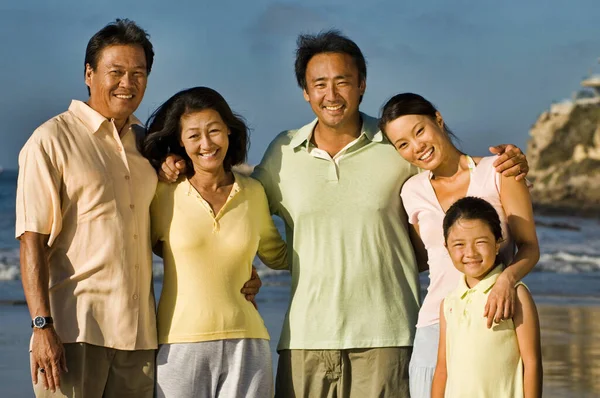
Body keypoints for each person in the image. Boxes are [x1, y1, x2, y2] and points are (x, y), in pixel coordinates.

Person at [160, 30, 529, 397]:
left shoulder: (396, 146)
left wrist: (503, 165)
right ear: (305, 91)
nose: (331, 95)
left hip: (389, 336)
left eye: (343, 82)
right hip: (305, 338)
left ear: (362, 84)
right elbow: (236, 207)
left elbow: (453, 188)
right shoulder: (284, 152)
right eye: (319, 84)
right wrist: (233, 269)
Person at [15, 20, 260, 398]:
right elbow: (31, 240)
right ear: (88, 74)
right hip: (74, 331)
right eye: (116, 72)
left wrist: (235, 271)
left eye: (138, 74)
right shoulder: (51, 141)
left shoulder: (147, 144)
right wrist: (41, 325)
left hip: (141, 336)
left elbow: (177, 227)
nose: (127, 83)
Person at [379, 92, 540, 398]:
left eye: (419, 131)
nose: (417, 147)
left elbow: (529, 246)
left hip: (493, 320)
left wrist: (506, 280)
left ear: (438, 120)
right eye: (403, 145)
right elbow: (426, 260)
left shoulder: (499, 171)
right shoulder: (411, 192)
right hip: (433, 326)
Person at [142, 86, 287, 398]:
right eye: (193, 135)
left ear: (229, 133)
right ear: (180, 141)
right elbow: (138, 248)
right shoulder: (162, 192)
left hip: (248, 342)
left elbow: (278, 255)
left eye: (214, 131)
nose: (206, 144)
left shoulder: (254, 192)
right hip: (178, 345)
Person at [431, 196, 542, 397]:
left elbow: (532, 363)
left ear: (498, 243)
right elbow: (442, 369)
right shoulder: (448, 304)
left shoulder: (516, 294)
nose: (470, 252)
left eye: (481, 242)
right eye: (459, 245)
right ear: (446, 248)